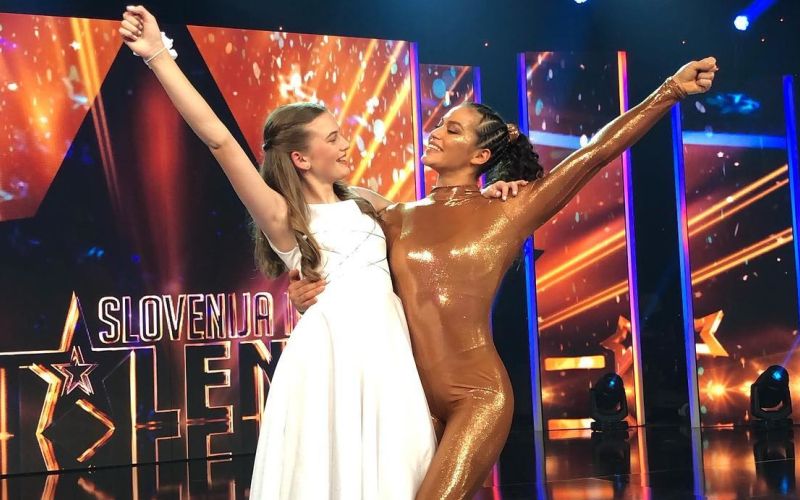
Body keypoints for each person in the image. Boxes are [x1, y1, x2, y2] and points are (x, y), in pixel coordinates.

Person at [117, 7, 526, 498]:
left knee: (396, 476)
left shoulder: (367, 203)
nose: (346, 144)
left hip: (390, 360)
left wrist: (494, 193)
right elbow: (219, 139)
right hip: (330, 360)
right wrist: (158, 55)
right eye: (333, 138)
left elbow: (436, 223)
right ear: (301, 157)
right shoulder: (282, 215)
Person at [289, 59, 718, 498]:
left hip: (478, 399)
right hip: (408, 400)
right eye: (439, 125)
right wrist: (305, 293)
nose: (435, 133)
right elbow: (333, 240)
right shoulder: (392, 216)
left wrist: (671, 89)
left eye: (453, 130)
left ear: (480, 156)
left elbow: (596, 153)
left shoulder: (508, 211)